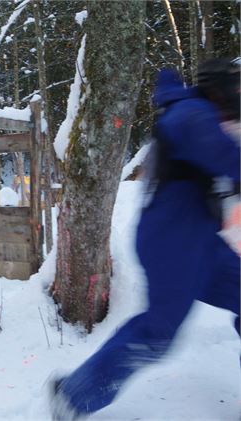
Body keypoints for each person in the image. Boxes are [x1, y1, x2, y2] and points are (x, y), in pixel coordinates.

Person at [50, 59, 241, 420]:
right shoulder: (190, 114)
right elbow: (226, 157)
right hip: (172, 243)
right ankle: (74, 395)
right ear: (219, 88)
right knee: (159, 331)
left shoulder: (201, 116)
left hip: (200, 241)